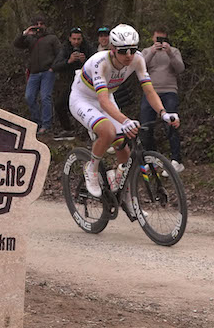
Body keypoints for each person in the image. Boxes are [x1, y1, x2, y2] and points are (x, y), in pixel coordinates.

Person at [69, 24, 180, 198]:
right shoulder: (100, 62)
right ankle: (91, 168)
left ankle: (125, 197)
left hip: (106, 98)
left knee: (124, 151)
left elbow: (149, 90)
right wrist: (125, 121)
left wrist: (164, 113)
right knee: (108, 131)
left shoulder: (138, 59)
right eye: (123, 51)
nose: (128, 55)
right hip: (83, 99)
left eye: (132, 50)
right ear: (112, 49)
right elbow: (103, 101)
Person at [140, 27, 186, 172]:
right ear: (152, 38)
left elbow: (180, 68)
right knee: (146, 126)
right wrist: (153, 51)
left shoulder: (174, 51)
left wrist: (170, 52)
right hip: (150, 92)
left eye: (163, 39)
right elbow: (140, 67)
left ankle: (176, 160)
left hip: (169, 92)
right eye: (157, 39)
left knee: (171, 123)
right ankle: (151, 159)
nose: (160, 42)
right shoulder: (146, 52)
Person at [12, 14, 61, 134]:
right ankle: (36, 122)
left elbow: (60, 54)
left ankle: (46, 125)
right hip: (34, 73)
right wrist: (25, 33)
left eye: (41, 24)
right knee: (29, 97)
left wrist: (53, 68)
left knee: (45, 97)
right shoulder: (30, 39)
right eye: (37, 24)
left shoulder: (52, 38)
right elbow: (16, 44)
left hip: (47, 72)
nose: (39, 26)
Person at [51, 27, 95, 140]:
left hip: (88, 83)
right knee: (60, 104)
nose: (76, 42)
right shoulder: (65, 48)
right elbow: (56, 66)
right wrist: (69, 61)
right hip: (72, 82)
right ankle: (67, 129)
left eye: (78, 39)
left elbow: (97, 63)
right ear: (70, 39)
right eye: (74, 39)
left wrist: (85, 61)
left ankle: (90, 132)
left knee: (89, 106)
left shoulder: (88, 47)